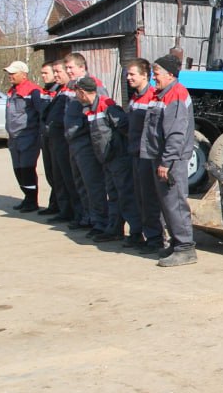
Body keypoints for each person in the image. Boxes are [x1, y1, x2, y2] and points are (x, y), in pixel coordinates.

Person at [142, 54, 197, 266]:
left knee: (175, 203)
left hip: (172, 161)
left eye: (156, 74)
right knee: (167, 203)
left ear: (170, 75)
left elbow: (175, 133)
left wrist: (167, 162)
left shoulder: (175, 94)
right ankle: (176, 244)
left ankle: (185, 248)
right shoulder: (163, 93)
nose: (154, 78)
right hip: (162, 157)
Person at [75, 75, 140, 245]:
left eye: (77, 94)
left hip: (119, 159)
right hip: (107, 161)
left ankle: (136, 233)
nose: (76, 97)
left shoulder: (107, 106)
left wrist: (119, 150)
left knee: (126, 196)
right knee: (113, 196)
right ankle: (114, 229)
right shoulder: (91, 109)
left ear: (82, 92)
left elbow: (125, 128)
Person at [63, 53, 110, 237]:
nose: (68, 71)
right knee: (80, 183)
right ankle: (88, 217)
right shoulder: (72, 86)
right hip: (74, 142)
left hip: (87, 143)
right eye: (67, 68)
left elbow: (101, 113)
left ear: (82, 67)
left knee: (94, 185)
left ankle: (101, 222)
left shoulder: (95, 85)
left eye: (71, 68)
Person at [123, 58, 165, 250]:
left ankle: (155, 239)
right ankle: (140, 233)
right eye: (128, 74)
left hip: (147, 156)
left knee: (149, 198)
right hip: (134, 153)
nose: (128, 77)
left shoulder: (152, 97)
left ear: (144, 76)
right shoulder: (135, 97)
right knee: (138, 196)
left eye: (132, 74)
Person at [3, 60, 45, 212]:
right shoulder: (12, 90)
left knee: (27, 169)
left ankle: (32, 200)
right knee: (18, 169)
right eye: (9, 73)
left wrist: (39, 134)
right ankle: (27, 197)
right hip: (14, 138)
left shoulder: (33, 91)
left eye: (13, 73)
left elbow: (41, 113)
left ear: (23, 74)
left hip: (28, 137)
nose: (10, 76)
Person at [42, 59, 80, 224]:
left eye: (59, 72)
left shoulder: (71, 90)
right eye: (55, 72)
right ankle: (64, 209)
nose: (56, 75)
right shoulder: (60, 90)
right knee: (57, 176)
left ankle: (75, 212)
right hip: (54, 139)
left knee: (68, 178)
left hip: (65, 140)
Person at [36, 63, 62, 217]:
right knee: (50, 173)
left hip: (56, 137)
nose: (43, 76)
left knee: (58, 174)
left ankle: (61, 206)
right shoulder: (46, 91)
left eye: (46, 73)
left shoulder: (59, 92)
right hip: (45, 136)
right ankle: (55, 203)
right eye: (42, 73)